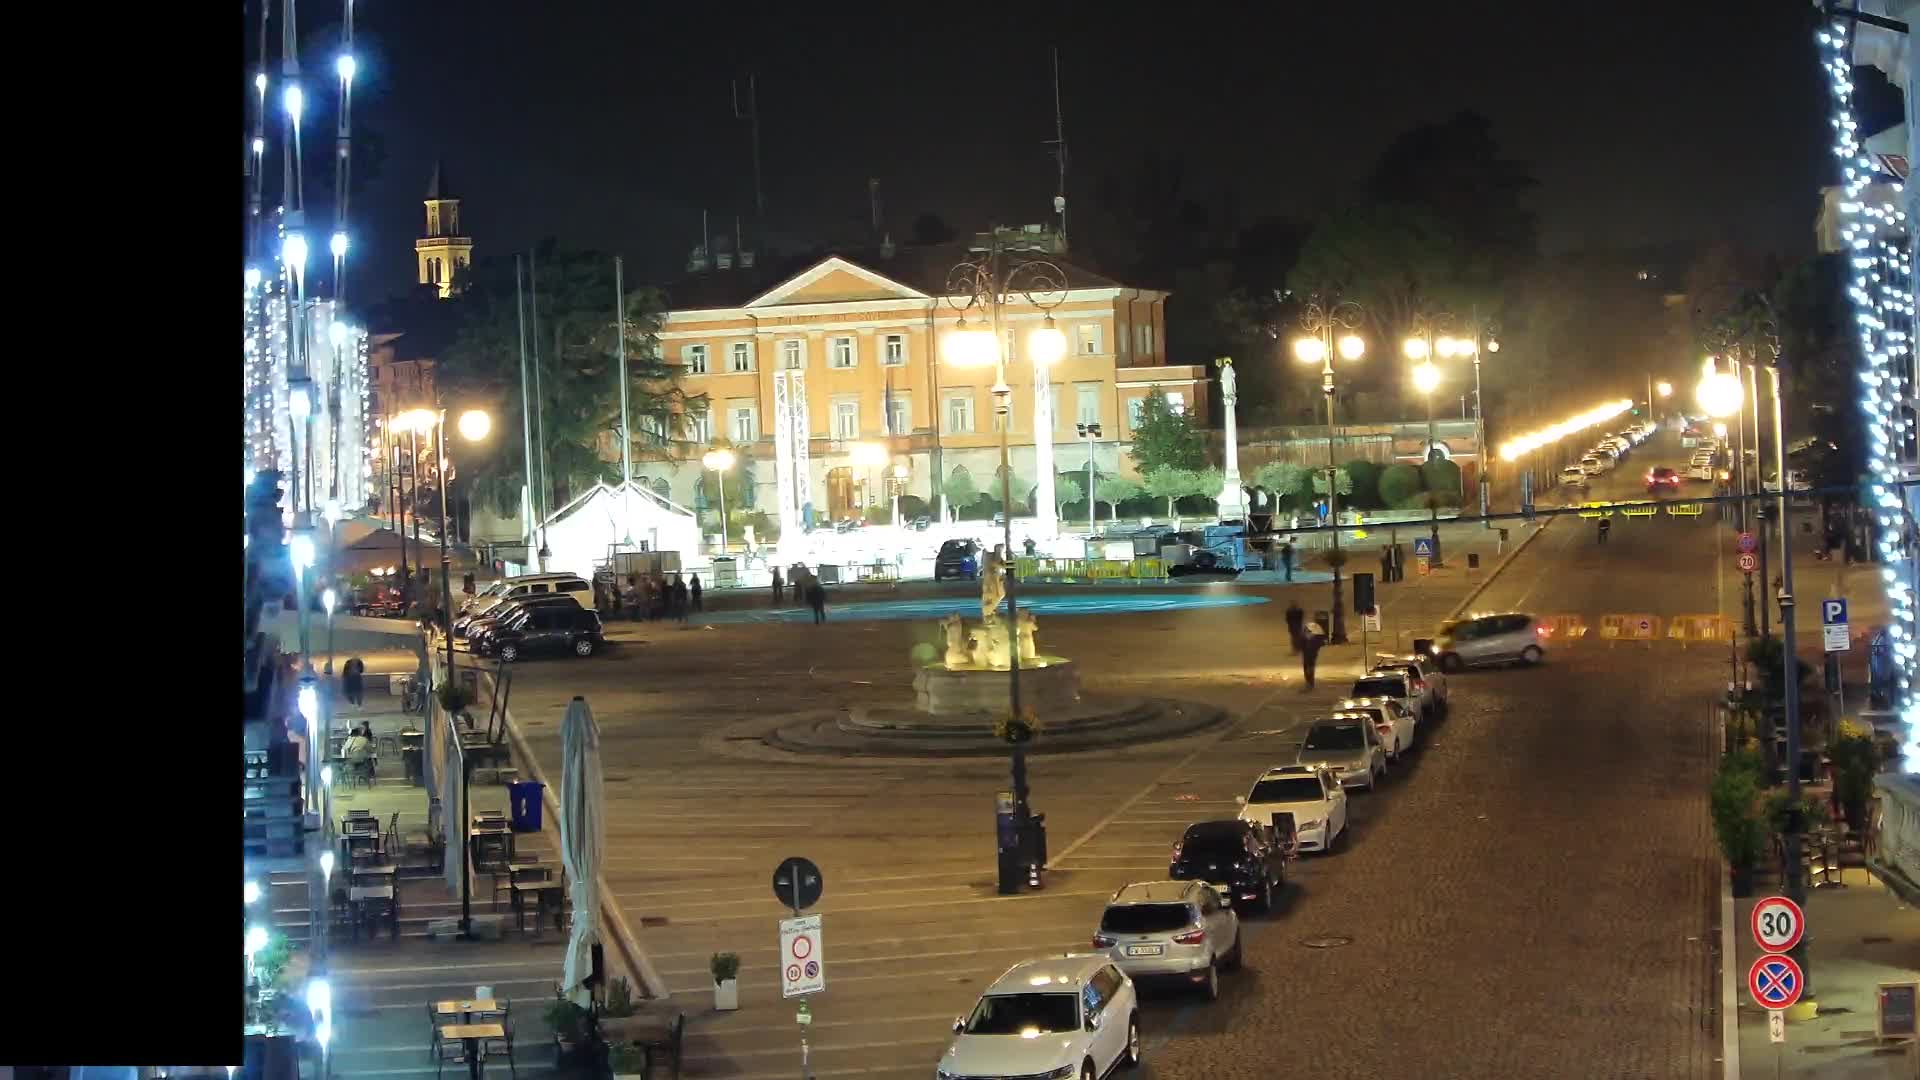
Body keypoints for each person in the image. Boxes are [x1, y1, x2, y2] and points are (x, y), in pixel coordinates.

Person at [1300, 621, 1325, 689]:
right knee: (1307, 667)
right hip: (1308, 653)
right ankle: (1309, 682)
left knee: (1310, 667)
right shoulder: (1305, 637)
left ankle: (1310, 683)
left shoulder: (1316, 639)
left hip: (1311, 653)